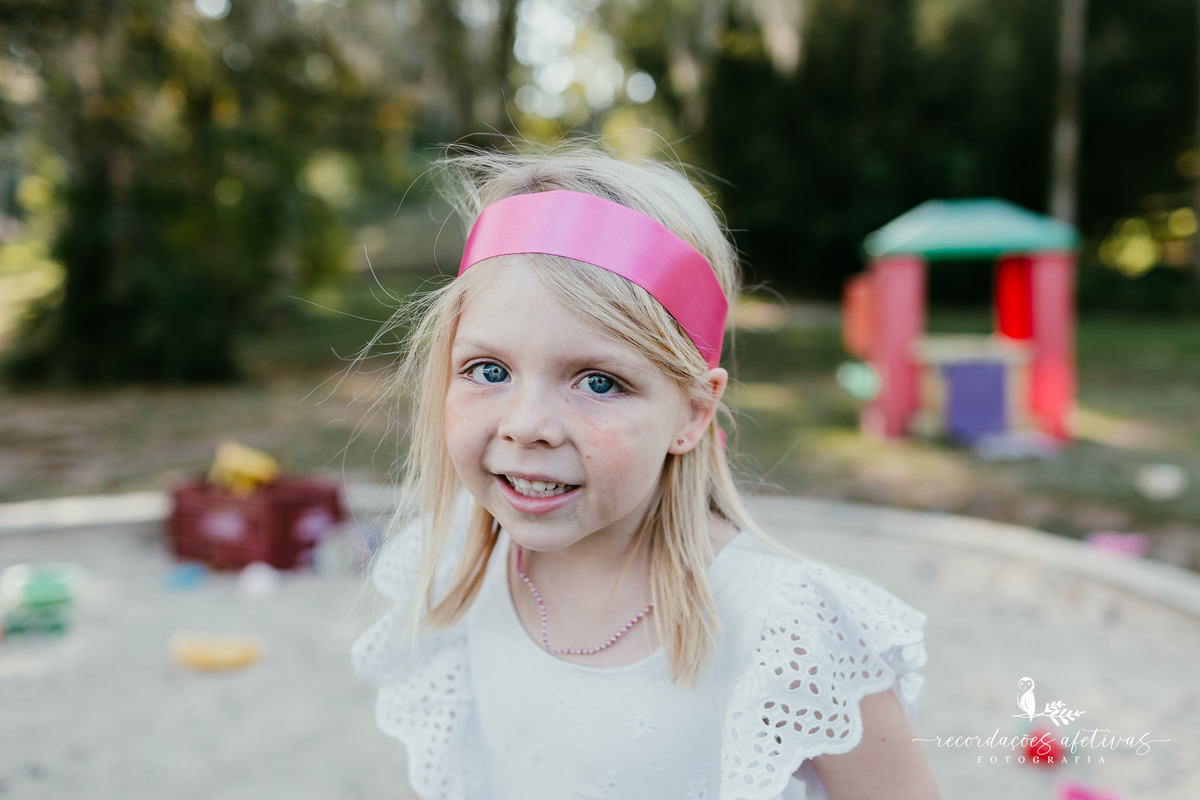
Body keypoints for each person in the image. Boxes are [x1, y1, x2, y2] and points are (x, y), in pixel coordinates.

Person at [352, 139, 940, 800]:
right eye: (489, 371)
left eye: (598, 382)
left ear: (693, 412)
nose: (527, 424)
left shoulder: (788, 631)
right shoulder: (459, 566)